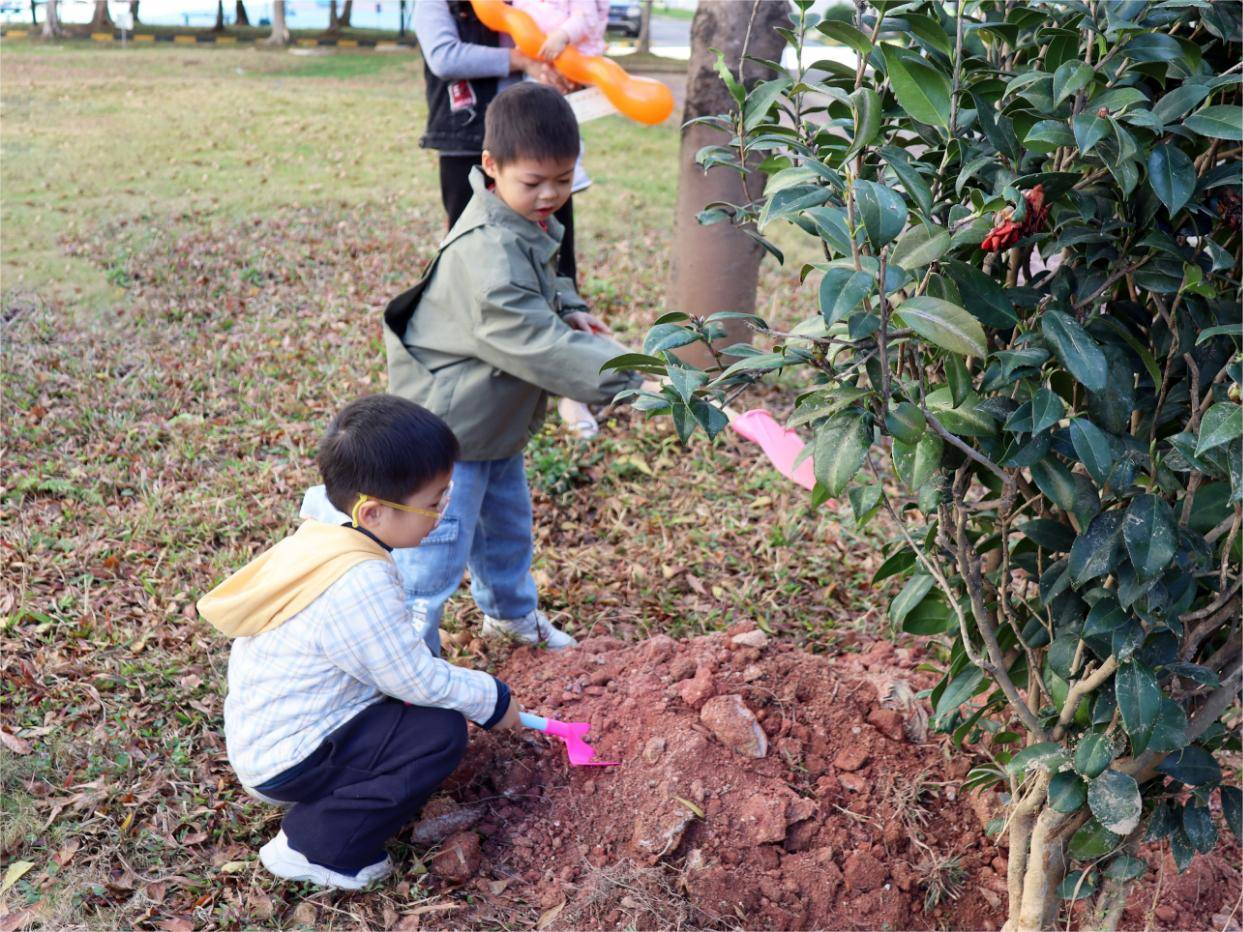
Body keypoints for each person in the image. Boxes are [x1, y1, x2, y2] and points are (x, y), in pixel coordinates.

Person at [197, 395, 521, 891]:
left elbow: (395, 663)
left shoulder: (328, 535)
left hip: (280, 734)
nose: (442, 513)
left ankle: (337, 802)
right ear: (371, 512)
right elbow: (414, 678)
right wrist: (493, 700)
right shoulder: (357, 579)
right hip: (290, 757)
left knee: (423, 714)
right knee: (438, 735)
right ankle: (315, 845)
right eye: (434, 503)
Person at [380, 82, 641, 656]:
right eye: (534, 182)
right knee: (435, 550)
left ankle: (511, 615)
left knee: (505, 531)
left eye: (564, 179)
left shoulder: (521, 219)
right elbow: (540, 345)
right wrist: (634, 374)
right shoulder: (490, 256)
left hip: (493, 422)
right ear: (491, 166)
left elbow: (549, 283)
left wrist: (573, 308)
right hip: (450, 435)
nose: (550, 195)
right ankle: (407, 657)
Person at [413, 0, 577, 284]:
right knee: (471, 245)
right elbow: (444, 56)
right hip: (467, 137)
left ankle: (561, 311)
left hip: (538, 142)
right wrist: (522, 59)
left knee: (554, 243)